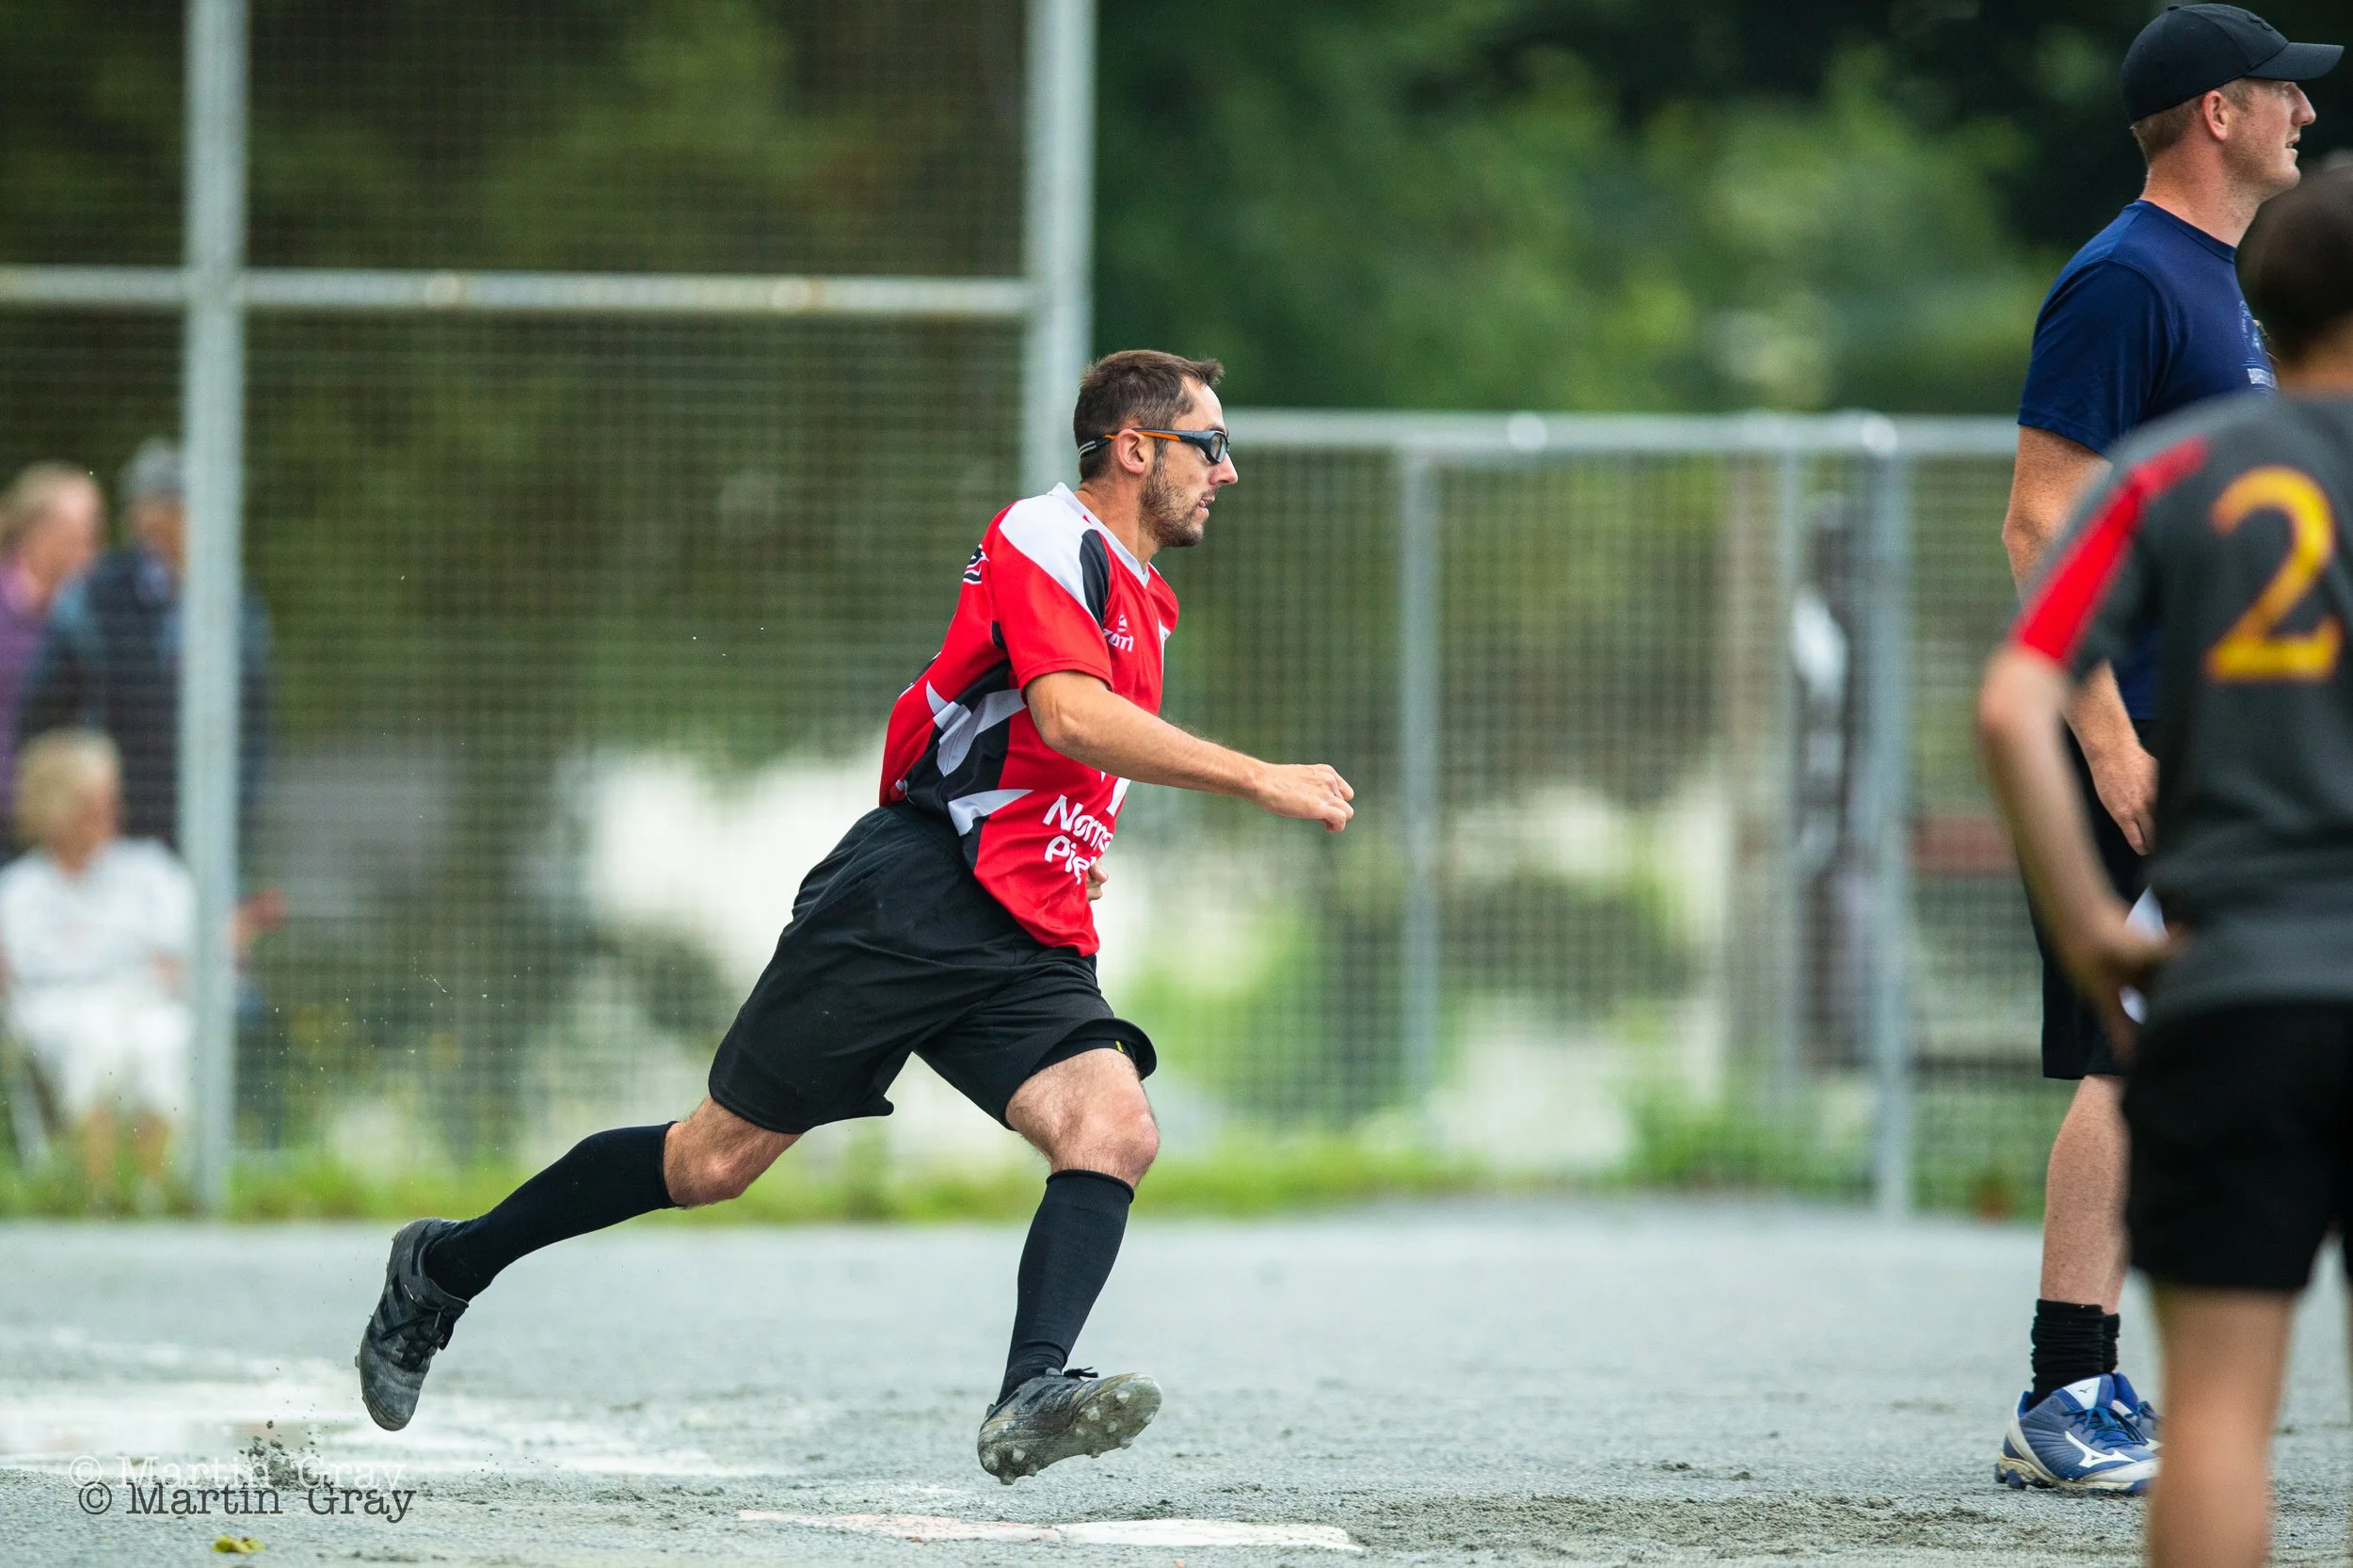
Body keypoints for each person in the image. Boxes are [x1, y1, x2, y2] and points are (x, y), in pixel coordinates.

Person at [355, 351, 1356, 1482]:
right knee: (710, 1162)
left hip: (1020, 925)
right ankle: (443, 1270)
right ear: (1135, 448)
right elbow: (1068, 716)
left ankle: (1030, 1391)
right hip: (909, 899)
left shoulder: (1142, 597)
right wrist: (1256, 776)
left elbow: (1045, 761)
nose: (1227, 470)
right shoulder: (1046, 534)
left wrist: (1073, 848)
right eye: (1209, 445)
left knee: (1112, 1128)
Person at [1978, 164, 2353, 1567]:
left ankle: (2084, 1387)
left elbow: (2015, 694)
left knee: (2215, 1417)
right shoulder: (2132, 280)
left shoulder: (2178, 474)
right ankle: (2067, 1382)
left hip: (2237, 970)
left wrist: (2090, 923)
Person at [15, 439, 271, 848]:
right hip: (110, 839)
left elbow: (254, 723)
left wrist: (239, 816)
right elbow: (43, 714)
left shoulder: (237, 602)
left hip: (206, 832)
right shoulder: (95, 598)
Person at [0, 729, 194, 1195]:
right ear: (54, 806)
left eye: (109, 800)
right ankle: (98, 1192)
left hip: (142, 1002)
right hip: (58, 1013)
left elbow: (187, 954)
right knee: (94, 1035)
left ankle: (152, 1193)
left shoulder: (148, 870)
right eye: (89, 802)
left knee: (163, 1038)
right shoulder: (20, 888)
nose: (106, 814)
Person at [0, 464, 104, 832]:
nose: (94, 549)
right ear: (39, 532)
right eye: (82, 534)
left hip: (65, 825)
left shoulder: (91, 615)